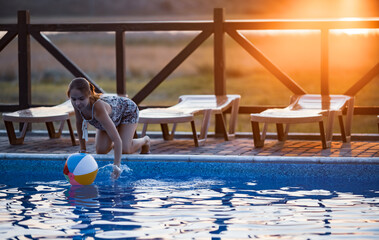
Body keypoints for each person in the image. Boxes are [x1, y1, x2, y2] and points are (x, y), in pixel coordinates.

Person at [67, 77, 150, 179]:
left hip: (126, 111)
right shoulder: (77, 105)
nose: (77, 103)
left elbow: (117, 140)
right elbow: (79, 124)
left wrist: (116, 167)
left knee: (124, 148)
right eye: (73, 99)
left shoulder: (97, 108)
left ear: (89, 94)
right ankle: (119, 135)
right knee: (101, 150)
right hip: (108, 120)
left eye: (81, 99)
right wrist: (83, 149)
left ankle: (145, 140)